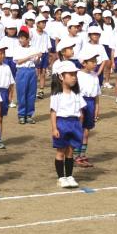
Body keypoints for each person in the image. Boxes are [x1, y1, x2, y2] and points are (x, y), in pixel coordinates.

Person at [49, 60, 85, 188]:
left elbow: (81, 112)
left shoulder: (76, 94)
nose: (74, 77)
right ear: (61, 77)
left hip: (74, 123)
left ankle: (69, 176)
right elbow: (53, 112)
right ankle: (61, 177)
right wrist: (54, 128)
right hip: (62, 123)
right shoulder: (57, 95)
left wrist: (80, 126)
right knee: (61, 151)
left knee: (70, 151)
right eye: (70, 75)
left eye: (75, 74)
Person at [75, 53, 101, 168]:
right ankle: (75, 155)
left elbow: (96, 95)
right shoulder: (78, 75)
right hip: (80, 101)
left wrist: (97, 108)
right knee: (78, 129)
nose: (95, 64)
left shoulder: (95, 76)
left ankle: (82, 154)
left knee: (86, 130)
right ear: (84, 63)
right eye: (92, 61)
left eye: (95, 61)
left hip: (90, 102)